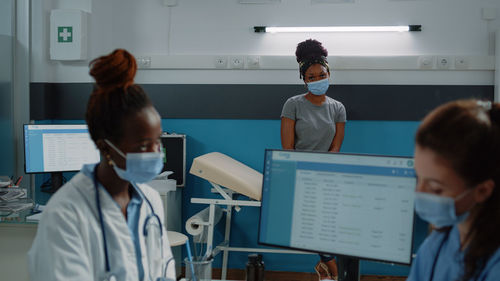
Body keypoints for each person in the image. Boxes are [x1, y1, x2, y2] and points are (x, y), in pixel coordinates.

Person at [28, 49, 176, 281]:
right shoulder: (66, 213)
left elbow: (163, 271)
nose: (155, 152)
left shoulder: (150, 201)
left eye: (158, 141)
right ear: (105, 147)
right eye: (143, 145)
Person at [408, 99, 500, 281]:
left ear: (482, 190)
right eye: (418, 178)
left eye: (435, 189)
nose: (420, 193)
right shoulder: (438, 244)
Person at [280, 39, 346, 280]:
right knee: (316, 226)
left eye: (322, 74)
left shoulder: (338, 108)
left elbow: (335, 147)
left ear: (329, 73)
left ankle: (327, 272)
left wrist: (323, 173)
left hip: (327, 173)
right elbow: (287, 148)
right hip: (299, 173)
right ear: (304, 78)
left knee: (328, 227)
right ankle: (335, 274)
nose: (318, 80)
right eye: (312, 76)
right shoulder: (293, 105)